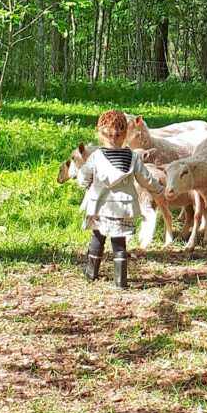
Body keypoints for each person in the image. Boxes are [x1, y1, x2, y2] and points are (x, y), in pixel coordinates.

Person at [78, 110, 162, 287]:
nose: (114, 138)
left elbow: (83, 177)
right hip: (123, 208)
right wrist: (159, 190)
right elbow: (146, 178)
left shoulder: (96, 157)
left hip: (100, 206)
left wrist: (85, 184)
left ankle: (91, 274)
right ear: (126, 134)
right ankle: (120, 281)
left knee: (97, 238)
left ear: (100, 133)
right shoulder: (132, 157)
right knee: (119, 242)